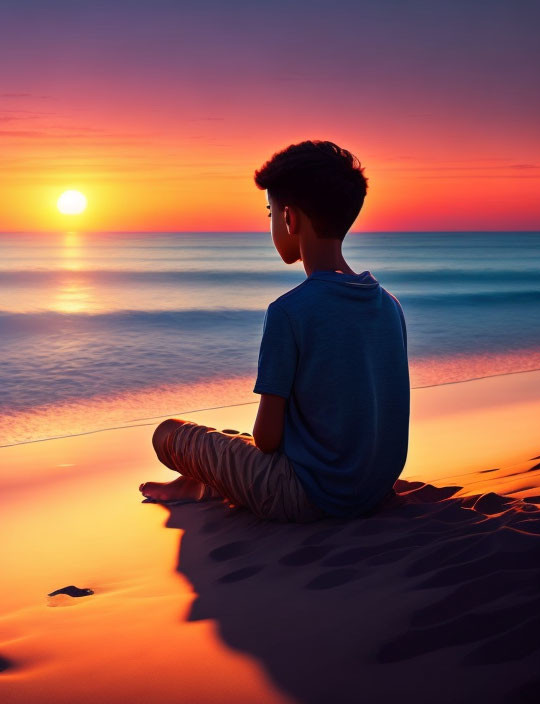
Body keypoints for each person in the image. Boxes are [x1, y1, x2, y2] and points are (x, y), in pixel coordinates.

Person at [139, 140, 409, 521]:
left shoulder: (290, 311)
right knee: (232, 440)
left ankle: (206, 481)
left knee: (169, 434)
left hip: (309, 495)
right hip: (373, 487)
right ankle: (203, 483)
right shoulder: (389, 305)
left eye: (270, 212)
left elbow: (266, 440)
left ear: (289, 219)